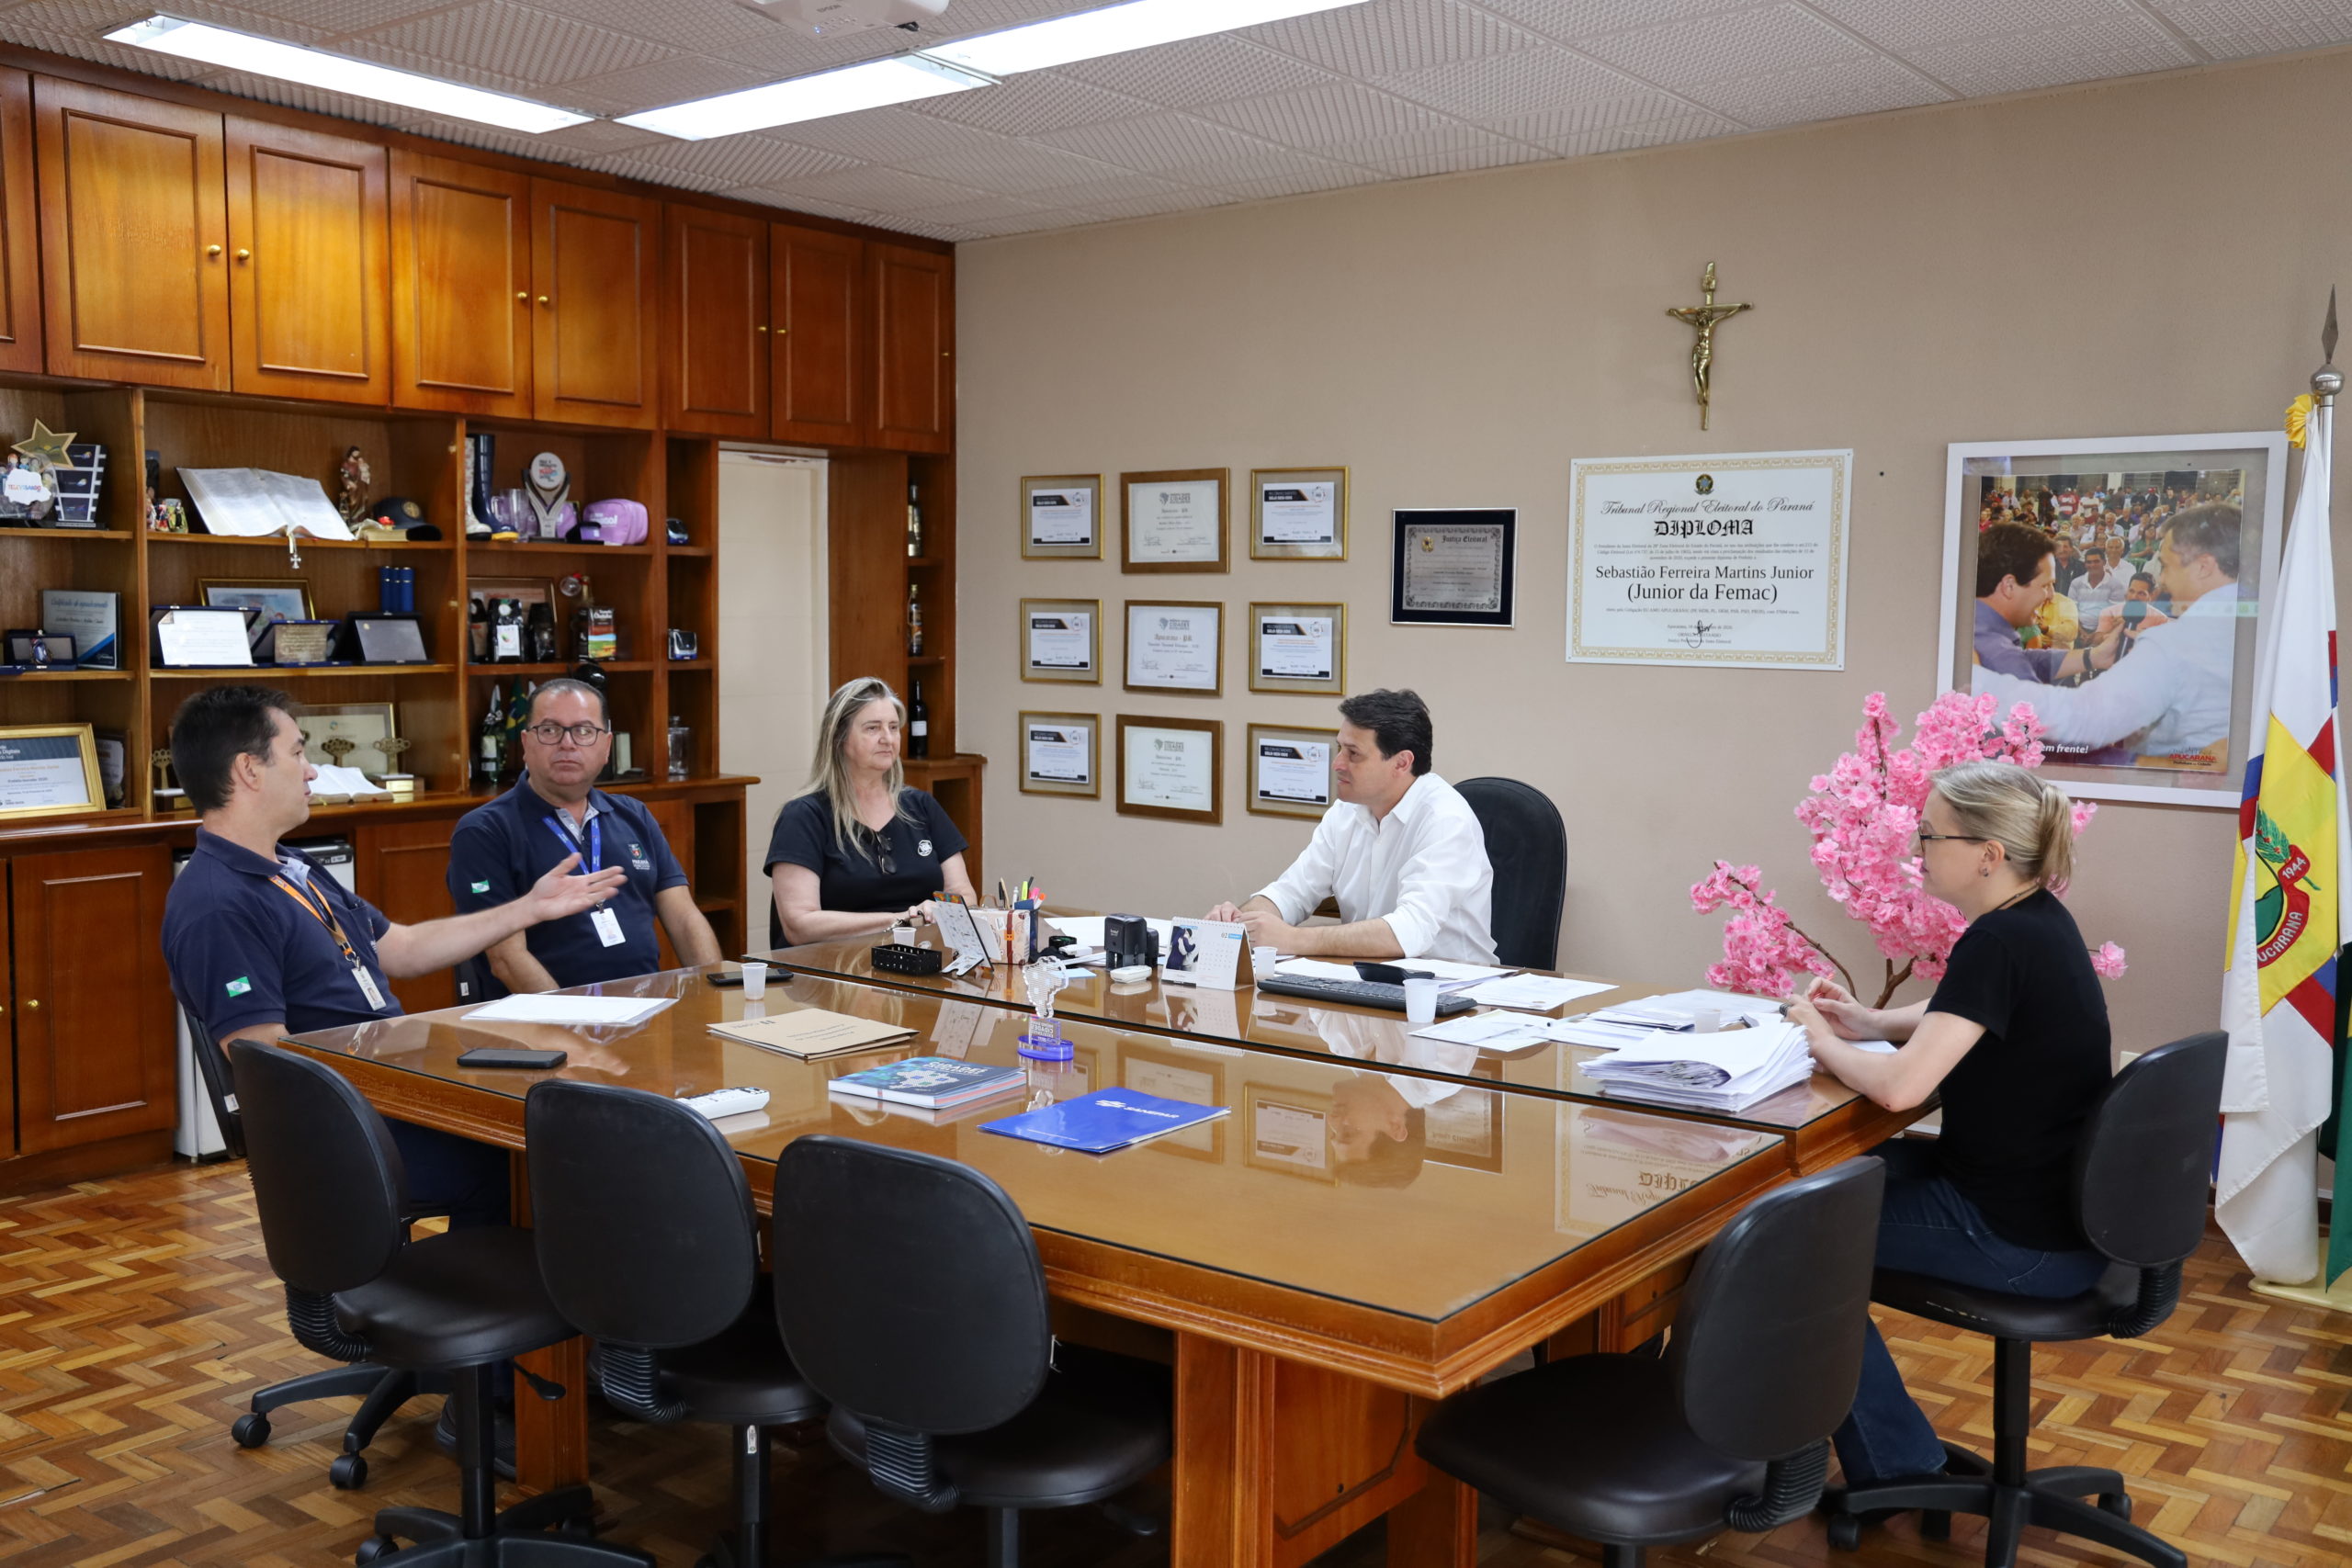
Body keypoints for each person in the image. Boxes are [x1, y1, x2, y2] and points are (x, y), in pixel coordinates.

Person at [161, 686, 627, 1228]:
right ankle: (505, 1299)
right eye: (297, 753)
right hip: (353, 1131)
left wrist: (526, 909)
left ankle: (498, 1295)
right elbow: (269, 1060)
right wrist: (411, 1070)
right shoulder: (217, 903)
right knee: (543, 1156)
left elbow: (401, 949)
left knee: (554, 1132)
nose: (311, 772)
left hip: (394, 1096)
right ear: (249, 770)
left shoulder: (290, 866)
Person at [1785, 761, 2111, 1493]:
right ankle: (1887, 1455)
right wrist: (1868, 1020)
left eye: (1932, 835)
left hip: (2018, 1238)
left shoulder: (1998, 941)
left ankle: (1893, 1468)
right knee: (1813, 1192)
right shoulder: (2034, 923)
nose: (1920, 849)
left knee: (1792, 1245)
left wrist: (1820, 1038)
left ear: (1988, 855)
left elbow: (1902, 1089)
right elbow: (1963, 1013)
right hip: (2051, 1214)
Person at [447, 678, 719, 993]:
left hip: (643, 1017)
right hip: (543, 1027)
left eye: (584, 731)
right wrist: (575, 1028)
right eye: (549, 730)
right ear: (525, 743)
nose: (567, 743)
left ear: (606, 746)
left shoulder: (634, 815)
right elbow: (506, 958)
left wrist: (714, 997)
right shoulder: (484, 831)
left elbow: (685, 919)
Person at [1206, 688, 1498, 964]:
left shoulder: (1445, 819)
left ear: (1401, 762)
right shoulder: (1346, 812)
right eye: (1339, 749)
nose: (1336, 763)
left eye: (1353, 753)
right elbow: (1291, 892)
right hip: (1363, 980)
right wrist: (1239, 924)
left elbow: (1411, 930)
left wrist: (1294, 939)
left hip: (1450, 994)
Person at [1975, 502, 2240, 760]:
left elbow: (2081, 721)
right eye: (2045, 585)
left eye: (2166, 566)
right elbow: (2023, 664)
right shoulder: (2250, 629)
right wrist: (2093, 657)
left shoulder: (2172, 643)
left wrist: (1970, 679)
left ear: (2204, 566)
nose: (2162, 580)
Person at [767, 676, 978, 943]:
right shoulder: (804, 816)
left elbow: (964, 894)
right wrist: (900, 921)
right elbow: (800, 925)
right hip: (831, 971)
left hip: (920, 960)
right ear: (839, 738)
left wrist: (941, 909)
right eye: (872, 728)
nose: (887, 739)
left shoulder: (921, 806)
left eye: (893, 727)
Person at [1970, 521, 2119, 684]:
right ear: (2009, 586)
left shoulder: (1978, 627)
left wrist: (2095, 656)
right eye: (2045, 585)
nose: (2050, 595)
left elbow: (2027, 659)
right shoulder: (1997, 653)